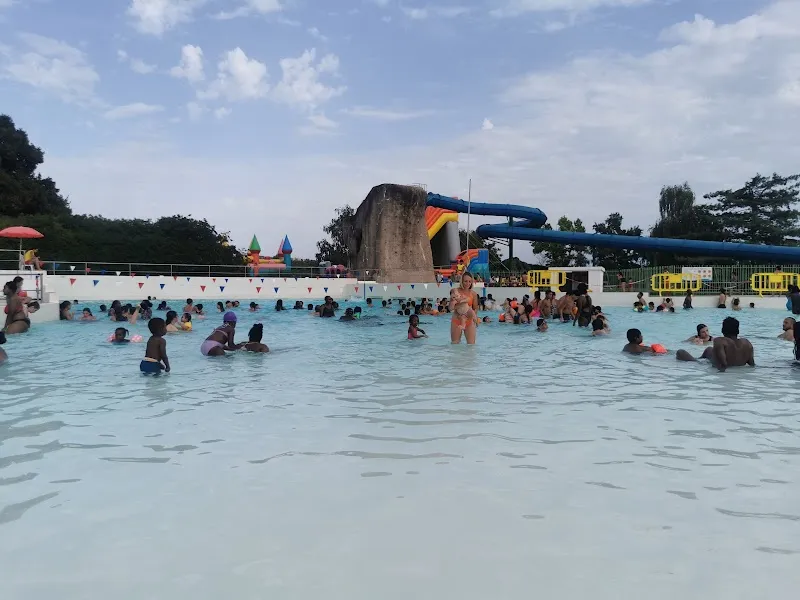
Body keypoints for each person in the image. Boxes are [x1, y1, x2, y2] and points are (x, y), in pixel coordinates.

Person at [676, 317, 754, 372]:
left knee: (680, 352)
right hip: (736, 364)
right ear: (738, 331)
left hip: (712, 365)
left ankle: (698, 360)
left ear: (723, 330)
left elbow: (723, 364)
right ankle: (701, 358)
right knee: (709, 349)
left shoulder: (720, 341)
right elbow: (751, 364)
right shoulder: (747, 343)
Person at [449, 271, 479, 344]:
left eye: (470, 281)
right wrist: (459, 305)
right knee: (455, 344)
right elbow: (450, 308)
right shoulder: (455, 292)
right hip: (457, 320)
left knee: (471, 345)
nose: (468, 283)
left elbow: (475, 308)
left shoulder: (473, 294)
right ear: (461, 281)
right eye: (465, 281)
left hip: (469, 320)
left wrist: (471, 315)